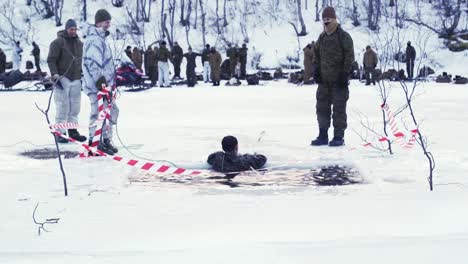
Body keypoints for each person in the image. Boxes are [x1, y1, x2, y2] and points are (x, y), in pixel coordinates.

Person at [311, 6, 355, 147]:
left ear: (334, 19)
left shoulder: (343, 36)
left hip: (339, 82)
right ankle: (323, 135)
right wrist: (316, 69)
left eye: (328, 19)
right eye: (324, 19)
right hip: (324, 82)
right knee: (322, 108)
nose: (326, 22)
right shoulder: (322, 37)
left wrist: (345, 73)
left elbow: (349, 55)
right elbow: (316, 54)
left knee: (339, 110)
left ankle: (338, 137)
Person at [82, 9, 119, 155]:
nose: (108, 25)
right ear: (98, 22)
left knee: (109, 112)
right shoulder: (94, 40)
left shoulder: (101, 39)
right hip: (97, 85)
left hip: (106, 85)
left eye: (109, 22)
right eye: (106, 22)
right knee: (98, 113)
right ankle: (94, 141)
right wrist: (100, 80)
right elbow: (93, 62)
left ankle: (105, 140)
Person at [47, 19, 86, 143]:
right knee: (62, 106)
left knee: (75, 107)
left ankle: (73, 130)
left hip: (76, 78)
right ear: (66, 29)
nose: (73, 31)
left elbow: (84, 61)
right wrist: (55, 75)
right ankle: (60, 132)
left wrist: (84, 75)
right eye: (71, 29)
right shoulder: (58, 42)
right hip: (62, 77)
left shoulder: (80, 44)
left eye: (75, 29)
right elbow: (51, 60)